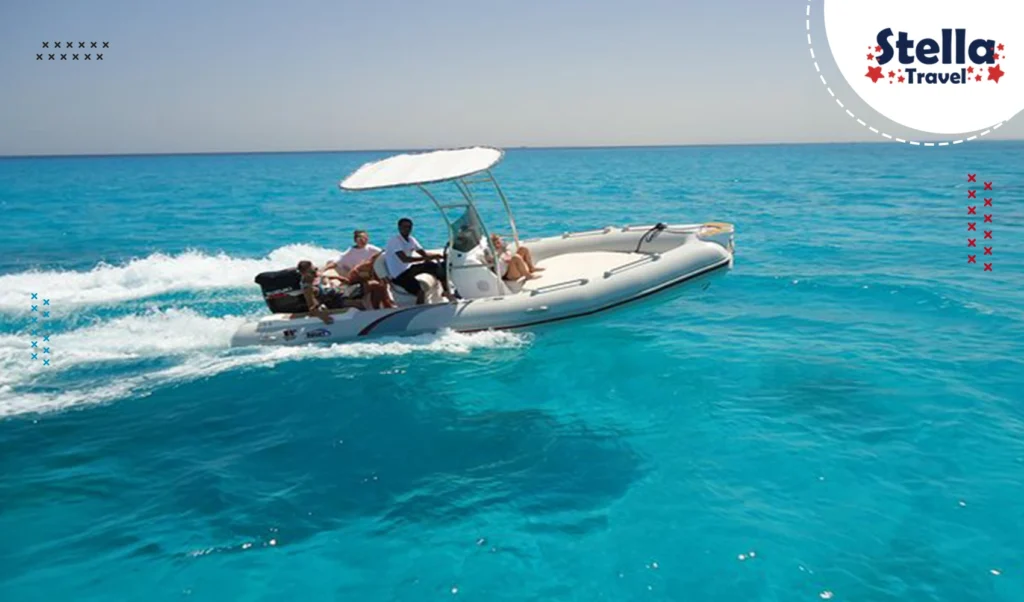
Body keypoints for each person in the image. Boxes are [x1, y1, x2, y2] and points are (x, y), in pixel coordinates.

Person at [384, 217, 454, 304]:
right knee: (420, 291)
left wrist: (438, 256)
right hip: (399, 275)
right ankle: (418, 308)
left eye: (409, 227)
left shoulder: (411, 239)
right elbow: (405, 259)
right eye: (404, 227)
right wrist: (426, 258)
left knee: (435, 266)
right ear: (399, 228)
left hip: (409, 270)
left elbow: (424, 254)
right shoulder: (395, 241)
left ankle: (446, 292)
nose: (407, 229)